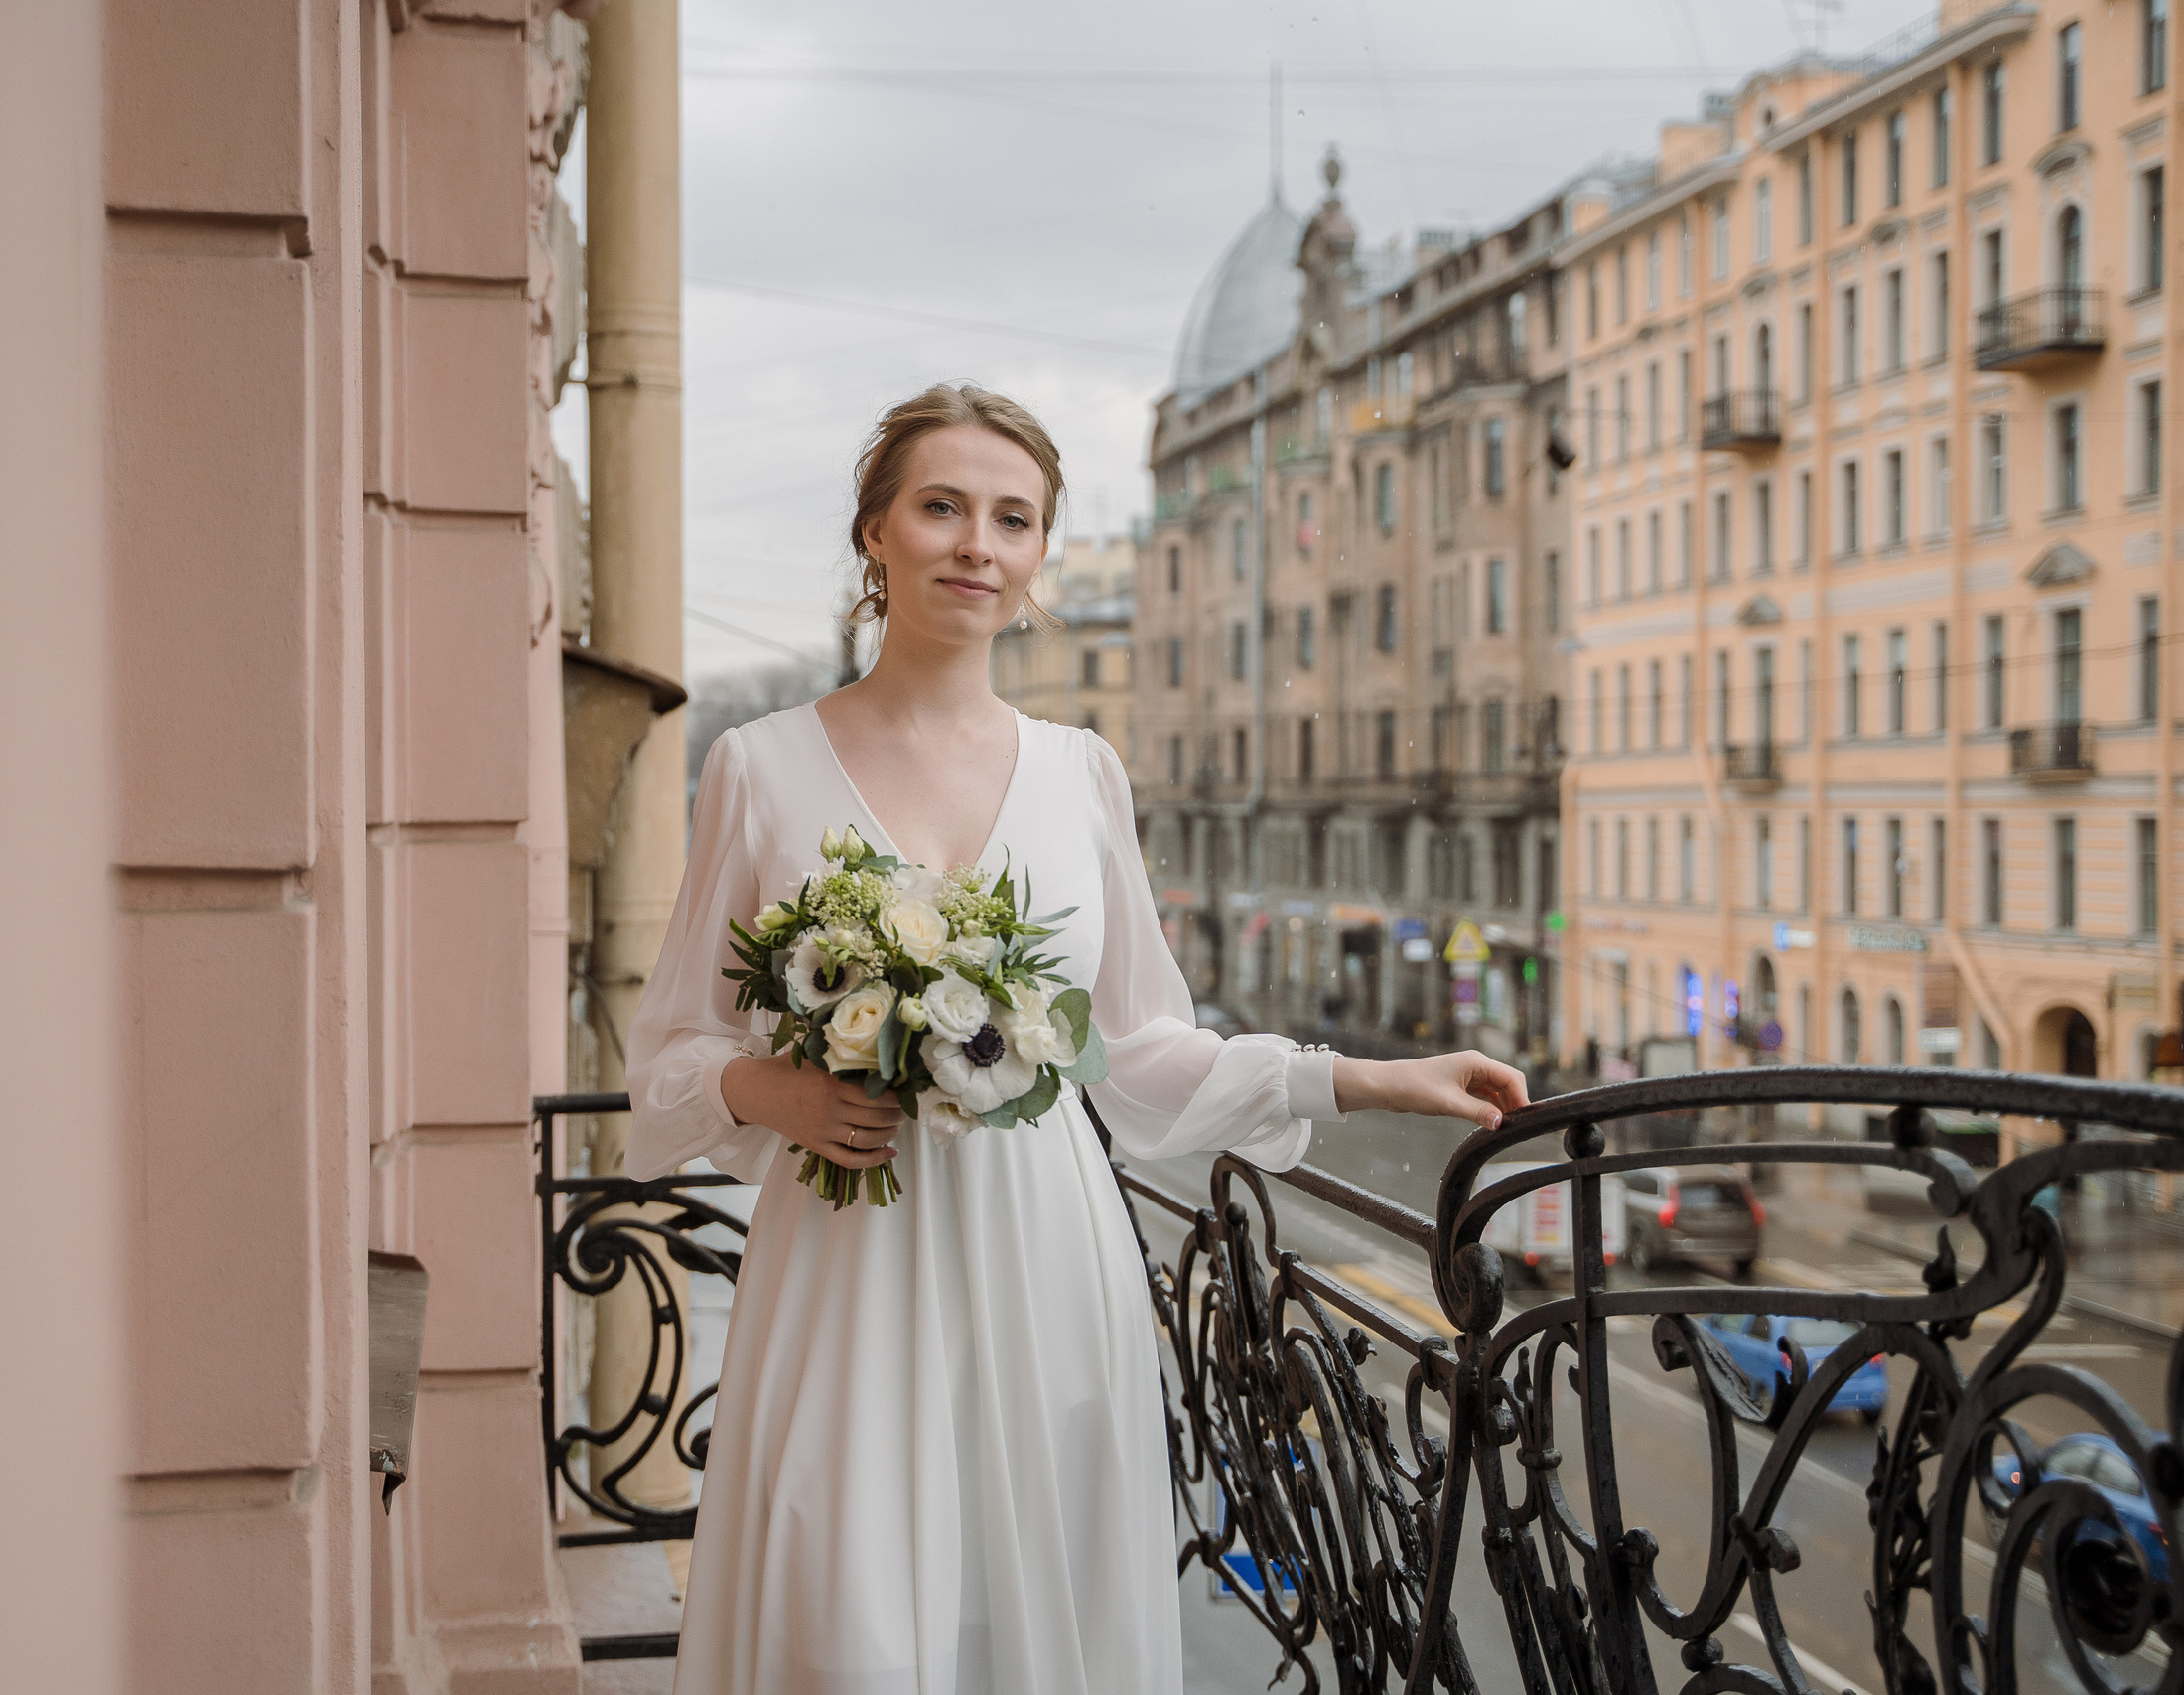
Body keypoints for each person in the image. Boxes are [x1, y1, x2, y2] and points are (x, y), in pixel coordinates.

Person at [623, 384, 1529, 1695]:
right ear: (875, 532)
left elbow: (1141, 1047)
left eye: (1013, 519)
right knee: (843, 1607)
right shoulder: (757, 767)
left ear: (1042, 552)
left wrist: (1372, 1076)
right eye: (941, 507)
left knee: (1036, 1609)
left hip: (1047, 1253)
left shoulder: (1081, 771)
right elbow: (670, 1052)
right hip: (845, 1256)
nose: (976, 545)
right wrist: (775, 1088)